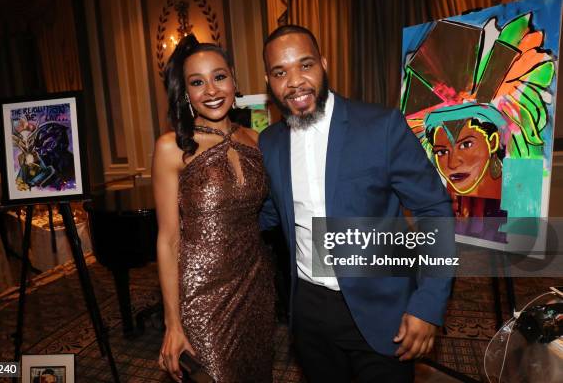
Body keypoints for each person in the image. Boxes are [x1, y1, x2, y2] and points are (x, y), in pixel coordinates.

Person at [258, 25, 454, 382]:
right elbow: (269, 214)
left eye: (305, 65)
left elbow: (434, 210)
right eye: (280, 72)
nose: (295, 82)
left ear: (324, 63)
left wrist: (428, 304)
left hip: (384, 311)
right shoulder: (269, 144)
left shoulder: (380, 127)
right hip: (309, 315)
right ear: (269, 81)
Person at [152, 34, 275, 382]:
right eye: (197, 82)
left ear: (234, 79)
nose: (211, 90)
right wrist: (172, 322)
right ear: (186, 93)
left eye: (219, 77)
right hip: (201, 295)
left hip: (255, 285)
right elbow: (168, 240)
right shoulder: (170, 147)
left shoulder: (256, 139)